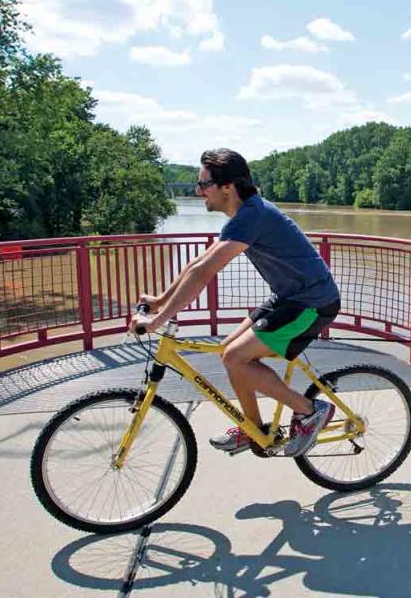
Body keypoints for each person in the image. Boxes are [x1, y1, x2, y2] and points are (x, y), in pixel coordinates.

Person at [131, 148, 341, 457]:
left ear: (227, 187)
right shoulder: (246, 214)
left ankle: (310, 410)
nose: (197, 191)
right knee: (228, 352)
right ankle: (255, 429)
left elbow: (204, 272)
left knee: (235, 357)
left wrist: (157, 322)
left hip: (312, 302)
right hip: (289, 296)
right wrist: (161, 301)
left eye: (203, 184)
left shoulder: (252, 216)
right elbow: (200, 262)